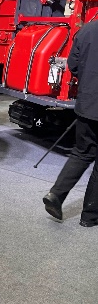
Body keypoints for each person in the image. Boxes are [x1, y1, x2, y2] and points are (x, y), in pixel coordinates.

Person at [43, 21, 98, 227]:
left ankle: (56, 194)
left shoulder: (87, 30)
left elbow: (73, 65)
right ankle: (90, 216)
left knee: (82, 152)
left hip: (87, 104)